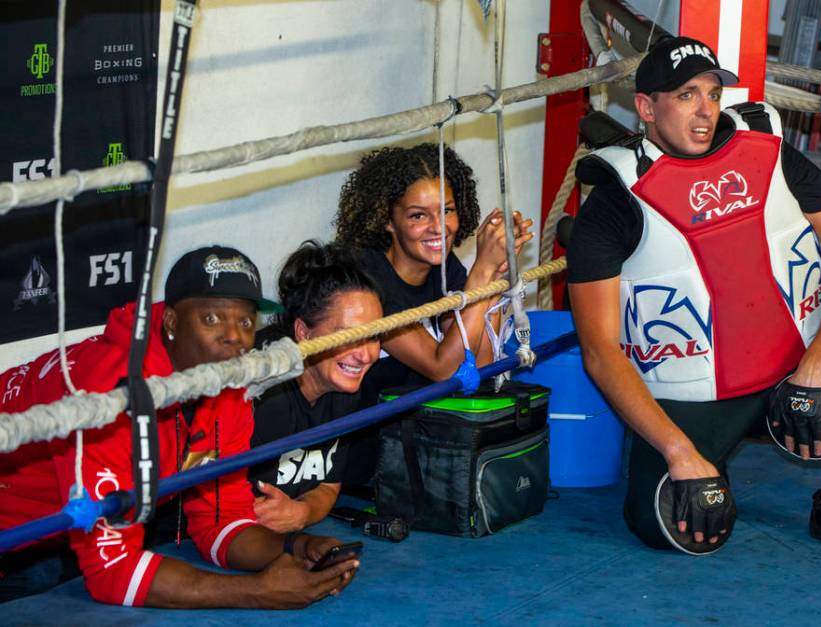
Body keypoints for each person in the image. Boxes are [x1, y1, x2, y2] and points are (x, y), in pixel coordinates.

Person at [567, 36, 821, 561]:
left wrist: (817, 362)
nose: (704, 111)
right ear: (645, 107)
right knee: (674, 528)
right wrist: (678, 452)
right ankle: (701, 460)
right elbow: (600, 351)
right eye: (685, 96)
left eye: (711, 93)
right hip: (702, 395)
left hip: (801, 371)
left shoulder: (769, 152)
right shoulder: (615, 200)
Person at [0, 245, 359, 607]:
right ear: (171, 322)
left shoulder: (228, 383)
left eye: (246, 321)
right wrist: (257, 591)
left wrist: (296, 548)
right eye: (212, 319)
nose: (234, 335)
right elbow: (114, 571)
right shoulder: (114, 395)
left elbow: (220, 520)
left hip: (58, 536)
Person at [334, 143, 533, 483]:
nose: (439, 227)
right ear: (387, 219)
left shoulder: (442, 268)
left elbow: (480, 366)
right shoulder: (365, 277)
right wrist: (482, 272)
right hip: (360, 457)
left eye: (447, 211)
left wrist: (494, 275)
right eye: (418, 215)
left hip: (414, 446)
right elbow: (443, 368)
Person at [249, 241, 383, 533]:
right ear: (303, 333)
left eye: (373, 336)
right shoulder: (264, 387)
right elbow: (219, 505)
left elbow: (329, 486)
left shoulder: (343, 383)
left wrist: (302, 512)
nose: (365, 354)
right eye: (348, 336)